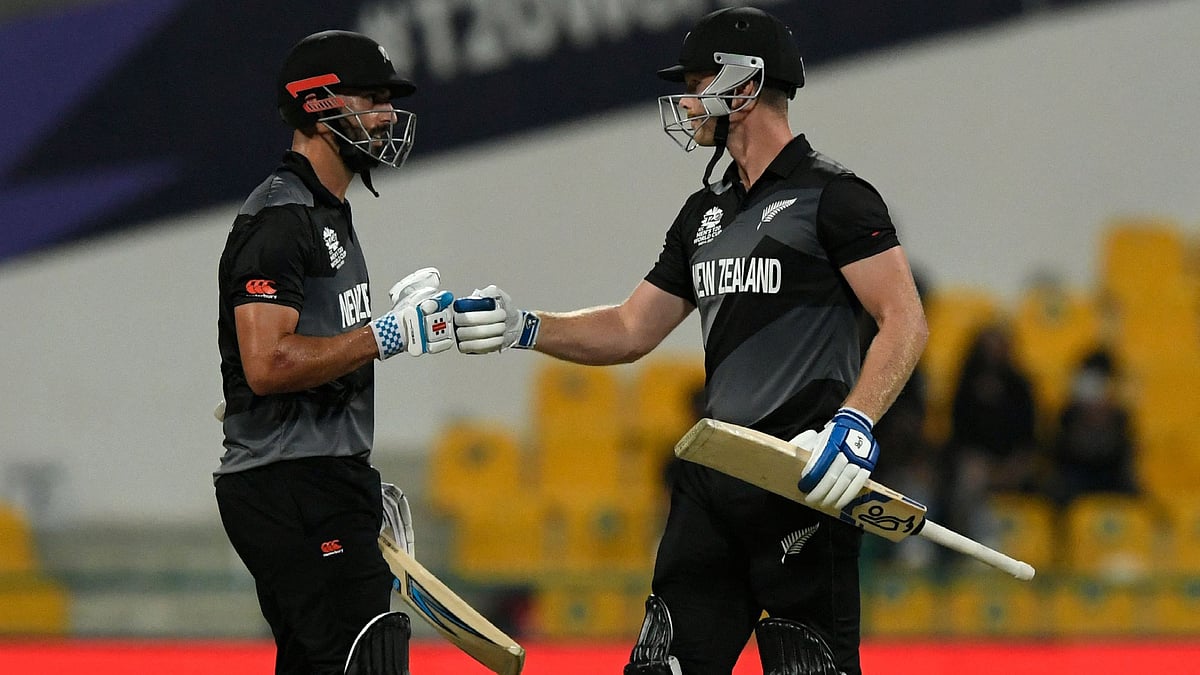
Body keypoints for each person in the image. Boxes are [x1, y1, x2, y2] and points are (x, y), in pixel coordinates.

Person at [453, 7, 927, 674]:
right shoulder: (703, 212)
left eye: (697, 83)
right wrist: (523, 326)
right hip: (713, 479)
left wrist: (855, 424)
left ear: (744, 84)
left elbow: (904, 319)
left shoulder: (836, 196)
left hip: (802, 478)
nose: (685, 101)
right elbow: (630, 328)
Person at [214, 30, 456, 675]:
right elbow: (267, 364)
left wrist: (351, 480)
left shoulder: (325, 211)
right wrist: (388, 334)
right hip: (291, 481)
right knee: (363, 658)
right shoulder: (280, 219)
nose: (387, 116)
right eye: (371, 100)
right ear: (318, 105)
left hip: (316, 476)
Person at [1048, 348, 1138, 506]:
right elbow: (1059, 453)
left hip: (1112, 478)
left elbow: (1123, 455)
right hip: (1075, 477)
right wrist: (1084, 422)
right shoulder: (1068, 415)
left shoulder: (1119, 416)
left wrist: (1105, 422)